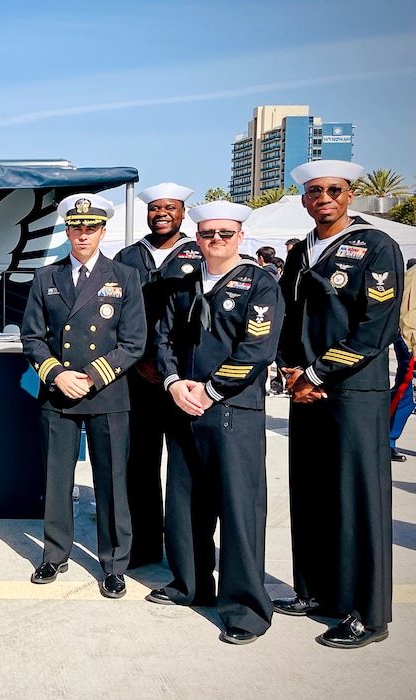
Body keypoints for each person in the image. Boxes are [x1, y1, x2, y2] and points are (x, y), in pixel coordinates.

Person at [275, 160, 403, 648]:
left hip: (352, 390)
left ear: (349, 195)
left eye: (333, 189)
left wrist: (315, 373)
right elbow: (288, 316)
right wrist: (291, 370)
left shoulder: (376, 246)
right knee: (311, 494)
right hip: (306, 390)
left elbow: (376, 326)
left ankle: (367, 614)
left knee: (358, 501)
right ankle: (315, 591)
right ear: (305, 199)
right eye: (313, 191)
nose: (323, 197)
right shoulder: (303, 249)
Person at [148, 201, 282, 645]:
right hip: (184, 406)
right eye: (207, 234)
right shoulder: (184, 284)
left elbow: (256, 350)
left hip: (231, 411)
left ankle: (246, 610)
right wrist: (172, 384)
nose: (216, 241)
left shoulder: (259, 284)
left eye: (225, 234)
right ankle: (191, 585)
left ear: (240, 237)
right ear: (197, 237)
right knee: (185, 504)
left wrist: (208, 391)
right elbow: (163, 338)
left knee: (240, 511)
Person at [21, 193, 145, 598]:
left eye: (91, 227)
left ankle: (113, 564)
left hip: (106, 393)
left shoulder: (124, 276)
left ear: (103, 231)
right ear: (67, 230)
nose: (83, 234)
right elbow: (33, 338)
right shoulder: (46, 277)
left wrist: (90, 377)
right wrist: (57, 375)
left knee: (112, 482)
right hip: (59, 394)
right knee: (57, 481)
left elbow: (133, 342)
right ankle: (54, 554)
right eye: (76, 227)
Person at [114, 182, 202, 568]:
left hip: (186, 379)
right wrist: (136, 361)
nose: (161, 213)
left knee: (186, 471)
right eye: (154, 208)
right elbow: (113, 316)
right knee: (139, 465)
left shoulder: (200, 253)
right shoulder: (128, 256)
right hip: (137, 377)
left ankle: (186, 553)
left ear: (183, 211)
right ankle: (143, 545)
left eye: (170, 207)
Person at [389, 259, 416, 462]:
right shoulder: (414, 275)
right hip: (411, 343)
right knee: (405, 395)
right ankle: (387, 439)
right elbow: (409, 313)